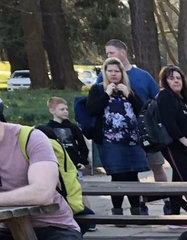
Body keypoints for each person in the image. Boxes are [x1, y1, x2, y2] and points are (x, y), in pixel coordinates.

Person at [85, 58, 148, 216]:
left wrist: (129, 95)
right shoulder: (98, 89)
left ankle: (136, 211)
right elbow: (92, 109)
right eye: (110, 71)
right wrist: (107, 94)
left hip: (132, 140)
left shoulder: (128, 89)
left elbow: (143, 110)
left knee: (133, 175)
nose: (113, 74)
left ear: (122, 73)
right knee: (118, 175)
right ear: (105, 73)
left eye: (117, 71)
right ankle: (117, 213)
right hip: (110, 141)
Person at [105, 39, 168, 186]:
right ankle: (139, 204)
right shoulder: (105, 76)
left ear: (123, 52)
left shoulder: (143, 76)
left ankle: (168, 199)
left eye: (111, 52)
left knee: (157, 164)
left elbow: (158, 98)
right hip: (121, 133)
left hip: (147, 129)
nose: (108, 56)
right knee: (130, 170)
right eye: (107, 53)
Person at [155, 65, 187, 217]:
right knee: (182, 180)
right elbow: (169, 121)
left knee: (178, 179)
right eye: (171, 78)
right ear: (165, 81)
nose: (176, 81)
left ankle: (175, 214)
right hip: (174, 145)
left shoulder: (185, 99)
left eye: (178, 78)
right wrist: (182, 139)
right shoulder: (165, 96)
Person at [38, 97, 90, 170]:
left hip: (74, 164)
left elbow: (83, 146)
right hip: (56, 164)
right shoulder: (47, 128)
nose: (65, 111)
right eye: (62, 109)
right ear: (52, 110)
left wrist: (82, 161)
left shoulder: (73, 127)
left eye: (66, 109)